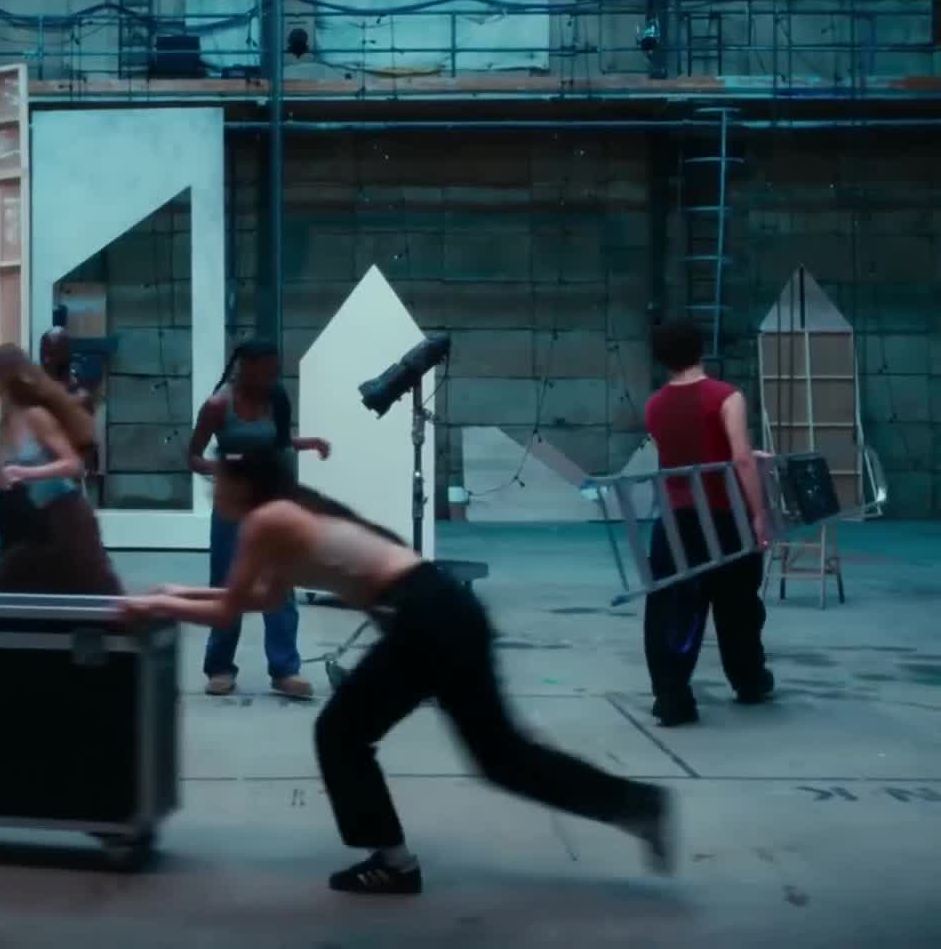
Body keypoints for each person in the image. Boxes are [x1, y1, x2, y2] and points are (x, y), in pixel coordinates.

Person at [118, 442, 675, 894]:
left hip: (422, 616)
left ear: (244, 484)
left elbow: (230, 610)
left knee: (341, 733)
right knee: (501, 757)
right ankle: (638, 806)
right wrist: (176, 592)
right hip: (441, 609)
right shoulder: (285, 514)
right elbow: (262, 599)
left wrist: (158, 604)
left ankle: (393, 863)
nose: (212, 488)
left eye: (218, 479)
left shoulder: (267, 521)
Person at [641, 319, 777, 727]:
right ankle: (749, 680)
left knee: (671, 606)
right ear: (700, 349)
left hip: (676, 517)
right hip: (724, 514)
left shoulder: (654, 405)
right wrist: (759, 514)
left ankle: (672, 697)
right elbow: (740, 460)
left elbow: (684, 452)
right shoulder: (726, 396)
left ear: (661, 359)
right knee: (738, 604)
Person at [185, 340, 332, 699]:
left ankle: (285, 670)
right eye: (266, 370)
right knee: (226, 584)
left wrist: (308, 442)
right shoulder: (218, 406)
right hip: (232, 507)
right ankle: (219, 667)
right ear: (245, 368)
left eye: (274, 370)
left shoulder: (275, 398)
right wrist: (224, 469)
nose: (273, 376)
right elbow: (193, 456)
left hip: (272, 502)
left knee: (281, 584)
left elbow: (278, 441)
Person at [0, 344, 121, 595]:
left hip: (66, 520)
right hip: (36, 526)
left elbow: (73, 465)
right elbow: (0, 481)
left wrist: (26, 473)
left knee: (98, 600)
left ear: (3, 375)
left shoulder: (36, 417)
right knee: (5, 592)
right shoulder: (5, 424)